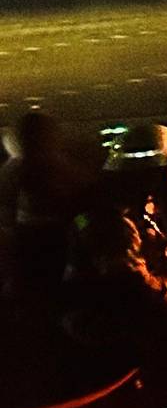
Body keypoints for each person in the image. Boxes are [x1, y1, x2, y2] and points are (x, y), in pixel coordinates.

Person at [60, 123, 167, 364]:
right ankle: (152, 366)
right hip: (95, 318)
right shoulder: (111, 221)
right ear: (156, 171)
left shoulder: (134, 204)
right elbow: (133, 293)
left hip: (114, 305)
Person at [0, 110, 87, 305]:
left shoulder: (12, 171)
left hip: (32, 244)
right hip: (52, 242)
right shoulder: (61, 168)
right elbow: (82, 207)